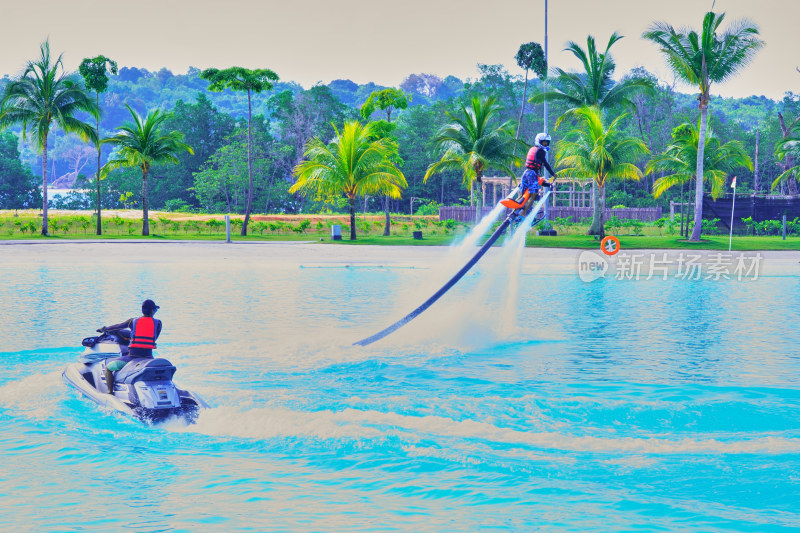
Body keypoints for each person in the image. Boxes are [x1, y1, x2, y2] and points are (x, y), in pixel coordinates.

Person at [101, 299, 162, 394]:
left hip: (132, 359)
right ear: (153, 311)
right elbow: (154, 338)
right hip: (148, 359)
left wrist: (104, 329)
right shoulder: (158, 323)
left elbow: (118, 327)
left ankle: (110, 392)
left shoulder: (132, 321)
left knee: (108, 368)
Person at [515, 132, 557, 221]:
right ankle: (523, 213)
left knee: (523, 194)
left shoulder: (533, 149)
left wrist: (547, 183)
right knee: (533, 194)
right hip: (532, 174)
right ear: (539, 141)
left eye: (546, 142)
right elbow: (545, 164)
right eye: (543, 142)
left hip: (526, 173)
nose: (545, 144)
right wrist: (553, 174)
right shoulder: (541, 151)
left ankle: (514, 211)